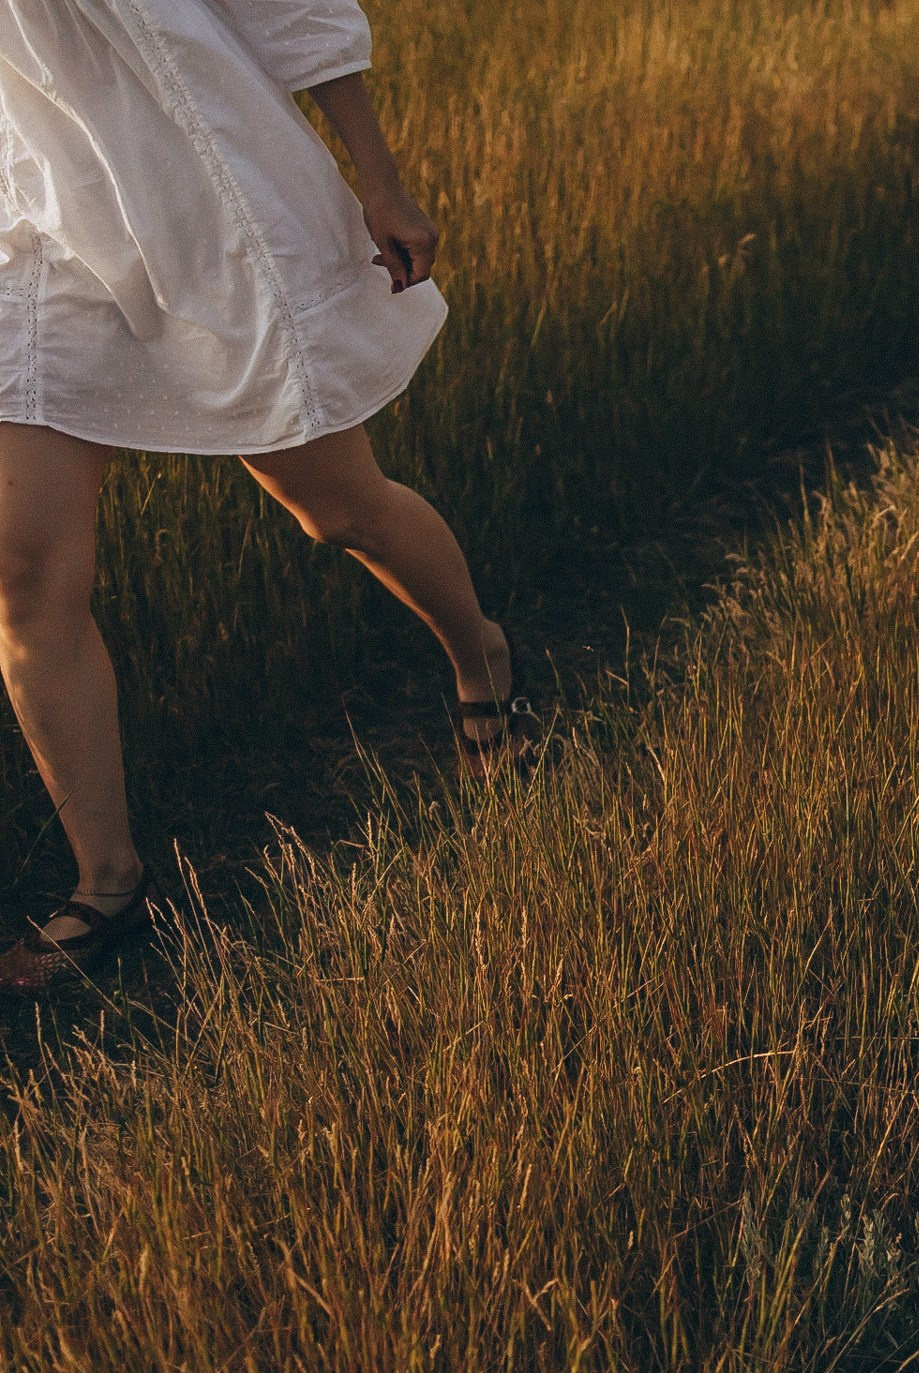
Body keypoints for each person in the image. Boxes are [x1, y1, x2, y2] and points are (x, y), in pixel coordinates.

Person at [0, 0, 526, 996]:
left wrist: (383, 182)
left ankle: (481, 651)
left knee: (337, 509)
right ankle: (109, 884)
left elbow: (293, 6)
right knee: (22, 571)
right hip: (28, 232)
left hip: (198, 204)